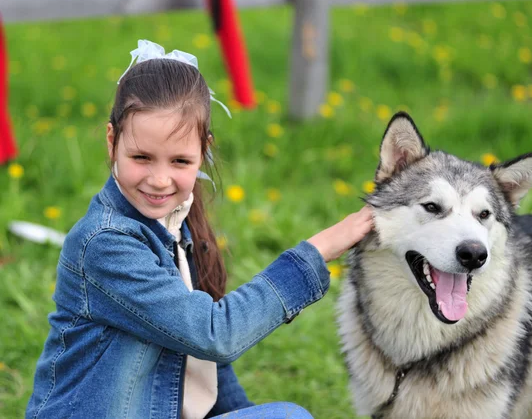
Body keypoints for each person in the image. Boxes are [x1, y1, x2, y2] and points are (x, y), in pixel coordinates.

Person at [26, 40, 373, 419]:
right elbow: (213, 334)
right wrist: (318, 250)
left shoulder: (176, 224)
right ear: (112, 142)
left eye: (179, 161)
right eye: (141, 157)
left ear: (203, 151)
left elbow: (205, 363)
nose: (160, 180)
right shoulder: (106, 243)